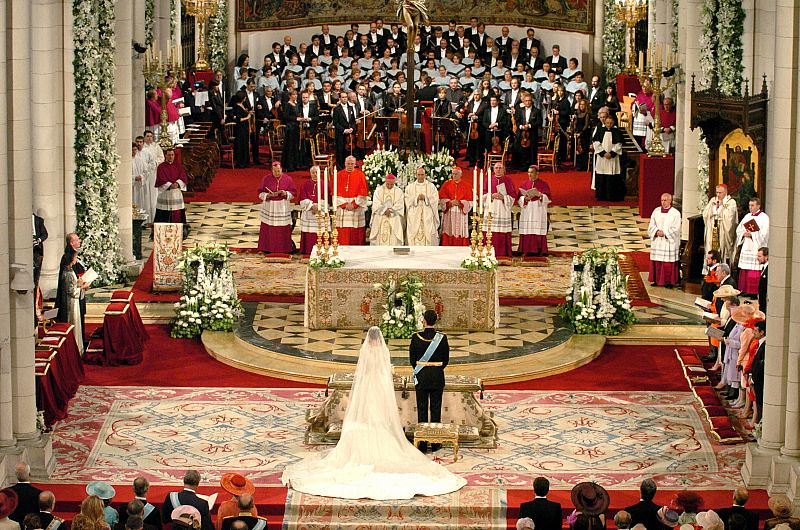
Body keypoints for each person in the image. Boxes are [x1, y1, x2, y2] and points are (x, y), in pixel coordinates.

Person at [282, 326, 465, 499]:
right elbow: (387, 371)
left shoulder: (366, 352)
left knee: (366, 410)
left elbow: (363, 372)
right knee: (382, 412)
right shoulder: (383, 352)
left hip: (367, 386)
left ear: (368, 340)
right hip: (381, 386)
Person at [409, 310, 451, 449]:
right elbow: (446, 359)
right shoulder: (442, 338)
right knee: (436, 408)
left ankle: (421, 443)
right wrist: (436, 369)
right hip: (437, 375)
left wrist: (422, 368)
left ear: (424, 321)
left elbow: (412, 360)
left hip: (421, 376)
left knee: (422, 408)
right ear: (435, 320)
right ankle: (435, 442)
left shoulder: (416, 337)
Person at [257, 162, 297, 254]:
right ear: (272, 170)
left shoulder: (288, 179)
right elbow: (260, 193)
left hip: (282, 206)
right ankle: (266, 248)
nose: (277, 173)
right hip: (270, 206)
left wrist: (285, 193)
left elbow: (293, 193)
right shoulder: (266, 179)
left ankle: (284, 249)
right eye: (275, 171)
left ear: (281, 169)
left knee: (282, 229)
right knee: (268, 227)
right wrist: (268, 195)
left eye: (279, 171)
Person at [735, 197, 769, 295]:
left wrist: (752, 234)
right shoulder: (747, 216)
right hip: (747, 245)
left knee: (754, 271)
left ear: (758, 206)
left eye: (752, 205)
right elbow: (739, 230)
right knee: (745, 269)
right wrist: (743, 234)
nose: (750, 207)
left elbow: (765, 233)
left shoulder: (764, 217)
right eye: (749, 205)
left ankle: (754, 292)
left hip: (756, 247)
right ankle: (745, 290)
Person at [481, 162, 516, 257]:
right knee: (490, 230)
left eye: (500, 168)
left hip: (503, 209)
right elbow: (482, 194)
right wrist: (491, 196)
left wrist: (503, 197)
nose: (498, 170)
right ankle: (488, 251)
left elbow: (513, 196)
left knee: (501, 231)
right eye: (496, 168)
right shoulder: (488, 180)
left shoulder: (508, 180)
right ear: (493, 169)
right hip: (491, 207)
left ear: (503, 169)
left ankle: (502, 252)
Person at [648, 193, 682, 287]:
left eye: (665, 200)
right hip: (658, 241)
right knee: (657, 261)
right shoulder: (656, 211)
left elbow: (676, 228)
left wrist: (665, 233)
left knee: (668, 263)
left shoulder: (675, 213)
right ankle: (656, 280)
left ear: (670, 201)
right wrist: (656, 231)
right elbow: (651, 224)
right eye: (662, 200)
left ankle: (668, 282)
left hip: (668, 242)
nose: (663, 202)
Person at [517, 166, 552, 257]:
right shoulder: (524, 184)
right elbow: (519, 198)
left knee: (538, 228)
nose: (529, 174)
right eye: (528, 172)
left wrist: (540, 195)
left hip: (538, 209)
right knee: (527, 228)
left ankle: (539, 249)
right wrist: (524, 198)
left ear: (537, 173)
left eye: (531, 172)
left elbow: (548, 198)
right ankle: (525, 249)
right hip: (527, 209)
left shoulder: (543, 184)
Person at [334, 156, 369, 245]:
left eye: (352, 164)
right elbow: (335, 192)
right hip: (343, 208)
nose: (350, 166)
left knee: (356, 234)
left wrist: (354, 204)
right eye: (348, 164)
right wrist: (345, 204)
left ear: (355, 164)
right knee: (343, 234)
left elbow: (363, 193)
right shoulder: (338, 175)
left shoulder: (360, 175)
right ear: (345, 164)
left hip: (356, 208)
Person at [702, 185, 738, 268]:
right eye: (717, 192)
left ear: (725, 192)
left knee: (722, 251)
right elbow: (705, 214)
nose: (718, 195)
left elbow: (730, 218)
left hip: (723, 230)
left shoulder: (731, 202)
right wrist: (713, 209)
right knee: (711, 249)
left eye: (720, 193)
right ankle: (710, 270)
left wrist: (720, 207)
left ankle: (722, 270)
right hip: (712, 230)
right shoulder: (713, 200)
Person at [56, 247, 83, 349]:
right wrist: (81, 287)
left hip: (74, 301)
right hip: (71, 303)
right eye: (75, 257)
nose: (76, 259)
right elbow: (72, 292)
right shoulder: (68, 273)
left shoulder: (70, 271)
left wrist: (78, 284)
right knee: (74, 322)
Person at [592, 115, 624, 201]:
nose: (609, 125)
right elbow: (596, 143)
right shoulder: (600, 131)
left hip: (613, 158)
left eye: (610, 123)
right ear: (605, 123)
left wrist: (612, 153)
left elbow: (619, 144)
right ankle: (601, 196)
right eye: (607, 123)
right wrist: (603, 153)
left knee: (612, 175)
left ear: (613, 123)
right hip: (602, 158)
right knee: (601, 174)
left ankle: (612, 196)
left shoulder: (617, 132)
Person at [405, 167, 440, 246]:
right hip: (414, 215)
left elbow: (435, 199)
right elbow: (407, 199)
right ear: (416, 175)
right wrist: (416, 198)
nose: (420, 176)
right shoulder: (410, 187)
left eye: (422, 174)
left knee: (428, 232)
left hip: (427, 214)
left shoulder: (431, 186)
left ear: (425, 175)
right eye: (419, 175)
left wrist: (426, 198)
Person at [438, 167, 473, 246]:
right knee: (448, 229)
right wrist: (449, 203)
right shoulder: (446, 184)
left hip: (460, 213)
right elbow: (441, 199)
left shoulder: (466, 186)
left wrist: (460, 203)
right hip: (449, 212)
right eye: (453, 174)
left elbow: (470, 202)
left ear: (461, 174)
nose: (454, 175)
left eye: (456, 174)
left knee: (460, 230)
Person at [298, 166, 328, 255]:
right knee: (309, 234)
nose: (315, 174)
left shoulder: (324, 184)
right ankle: (308, 251)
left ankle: (321, 251)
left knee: (320, 232)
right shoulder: (305, 184)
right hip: (309, 212)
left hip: (321, 212)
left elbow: (328, 199)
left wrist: (318, 206)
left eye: (316, 172)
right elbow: (302, 198)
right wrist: (312, 206)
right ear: (310, 173)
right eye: (313, 173)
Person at [369, 173, 405, 246]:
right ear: (385, 181)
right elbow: (376, 203)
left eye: (391, 184)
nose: (389, 186)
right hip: (380, 216)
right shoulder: (379, 190)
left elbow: (400, 205)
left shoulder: (399, 191)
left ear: (394, 182)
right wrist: (384, 210)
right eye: (388, 184)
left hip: (393, 217)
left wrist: (391, 210)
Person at [757, 247, 768, 313]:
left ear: (766, 257)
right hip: (761, 301)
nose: (757, 258)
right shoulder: (764, 267)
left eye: (759, 256)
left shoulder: (769, 269)